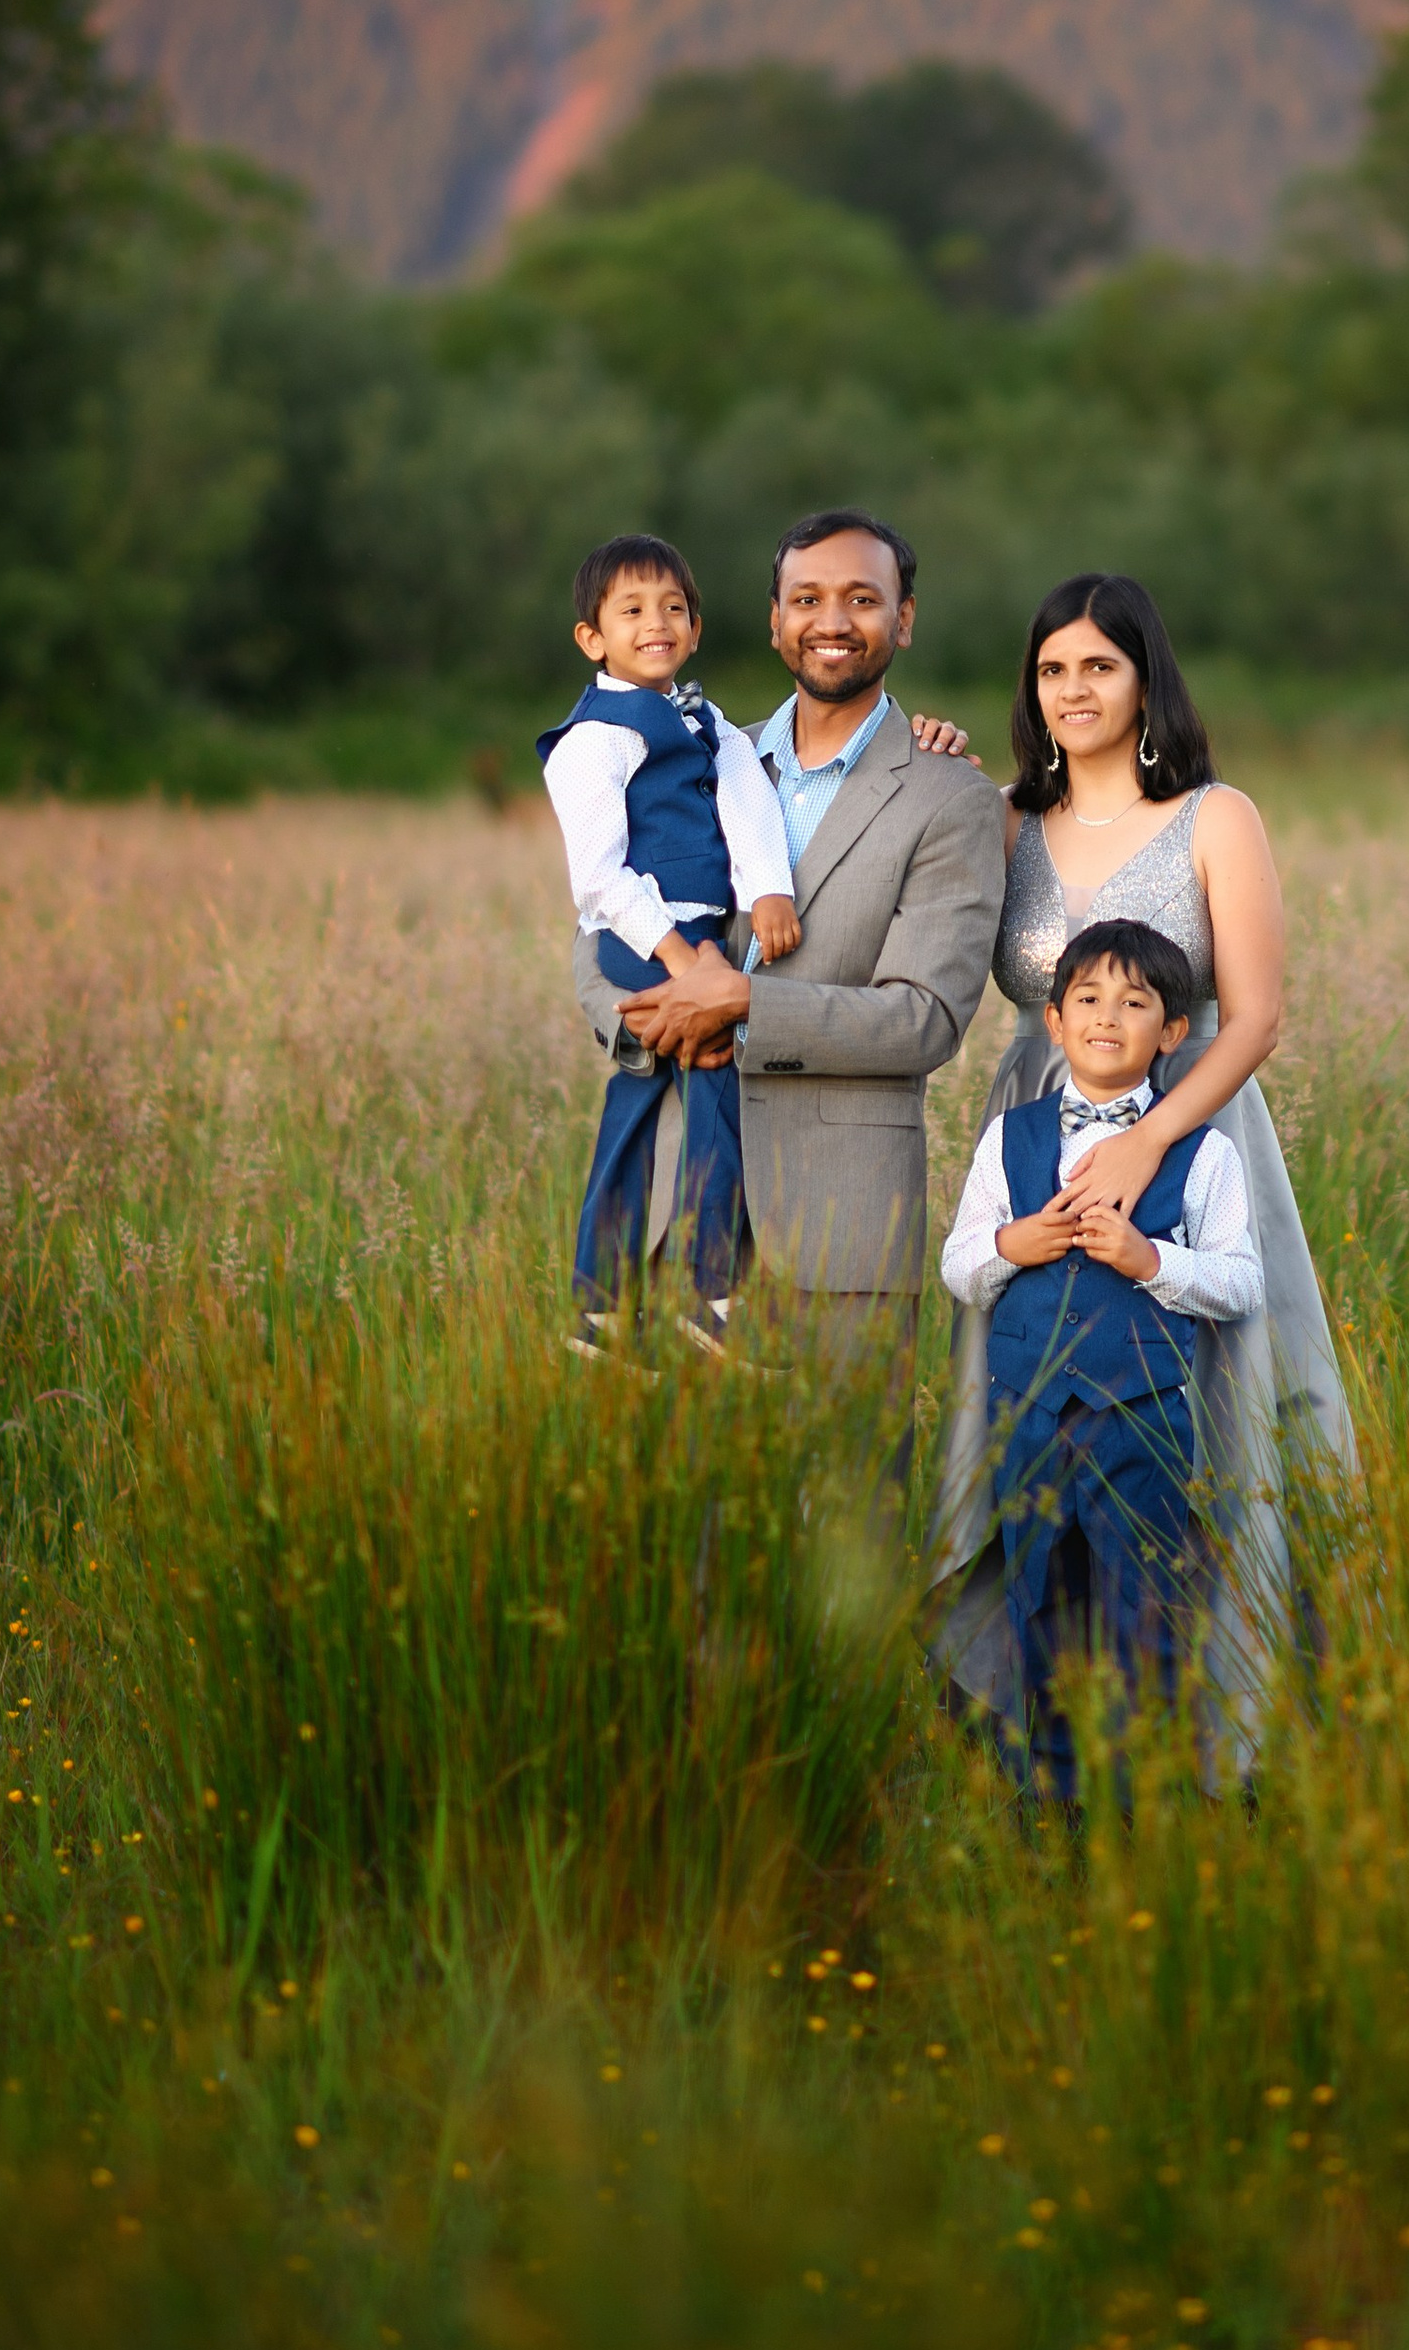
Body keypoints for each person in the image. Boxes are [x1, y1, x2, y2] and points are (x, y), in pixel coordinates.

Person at [929, 572, 1355, 1764]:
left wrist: (1148, 1138)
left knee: (1214, 1403)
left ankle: (1232, 1716)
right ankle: (1041, 1723)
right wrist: (918, 755)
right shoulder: (1006, 818)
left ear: (1144, 678)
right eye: (1051, 669)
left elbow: (1257, 1014)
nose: (1073, 690)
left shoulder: (1218, 817)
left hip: (1196, 1122)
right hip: (1034, 1126)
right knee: (1037, 1403)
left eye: (1098, 667)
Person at [580, 509, 1007, 1385]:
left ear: (905, 618)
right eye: (806, 598)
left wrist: (743, 1005)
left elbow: (923, 1020)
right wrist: (653, 1022)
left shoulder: (947, 794)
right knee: (680, 1515)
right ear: (773, 619)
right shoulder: (699, 752)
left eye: (863, 598)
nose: (833, 620)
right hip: (668, 1219)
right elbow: (597, 926)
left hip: (836, 1228)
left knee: (848, 1512)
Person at [941, 918, 1263, 1803]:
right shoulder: (1010, 1140)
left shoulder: (1204, 1153)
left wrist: (1148, 1259)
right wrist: (1017, 1239)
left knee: (1148, 1613)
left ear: (1171, 1032)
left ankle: (1148, 1812)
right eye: (1087, 998)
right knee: (1037, 1606)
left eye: (1134, 1002)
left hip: (1143, 1421)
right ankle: (1051, 1812)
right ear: (1052, 1020)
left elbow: (1239, 1282)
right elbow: (960, 1264)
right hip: (1030, 1415)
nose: (1107, 1016)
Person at [539, 534, 799, 1347]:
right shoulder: (593, 740)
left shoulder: (706, 718)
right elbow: (599, 879)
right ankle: (710, 1293)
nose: (657, 622)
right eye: (633, 609)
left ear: (694, 628)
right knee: (717, 1079)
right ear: (594, 637)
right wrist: (684, 960)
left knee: (640, 1110)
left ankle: (607, 1307)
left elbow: (749, 796)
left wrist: (768, 889)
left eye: (674, 608)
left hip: (705, 927)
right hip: (640, 935)